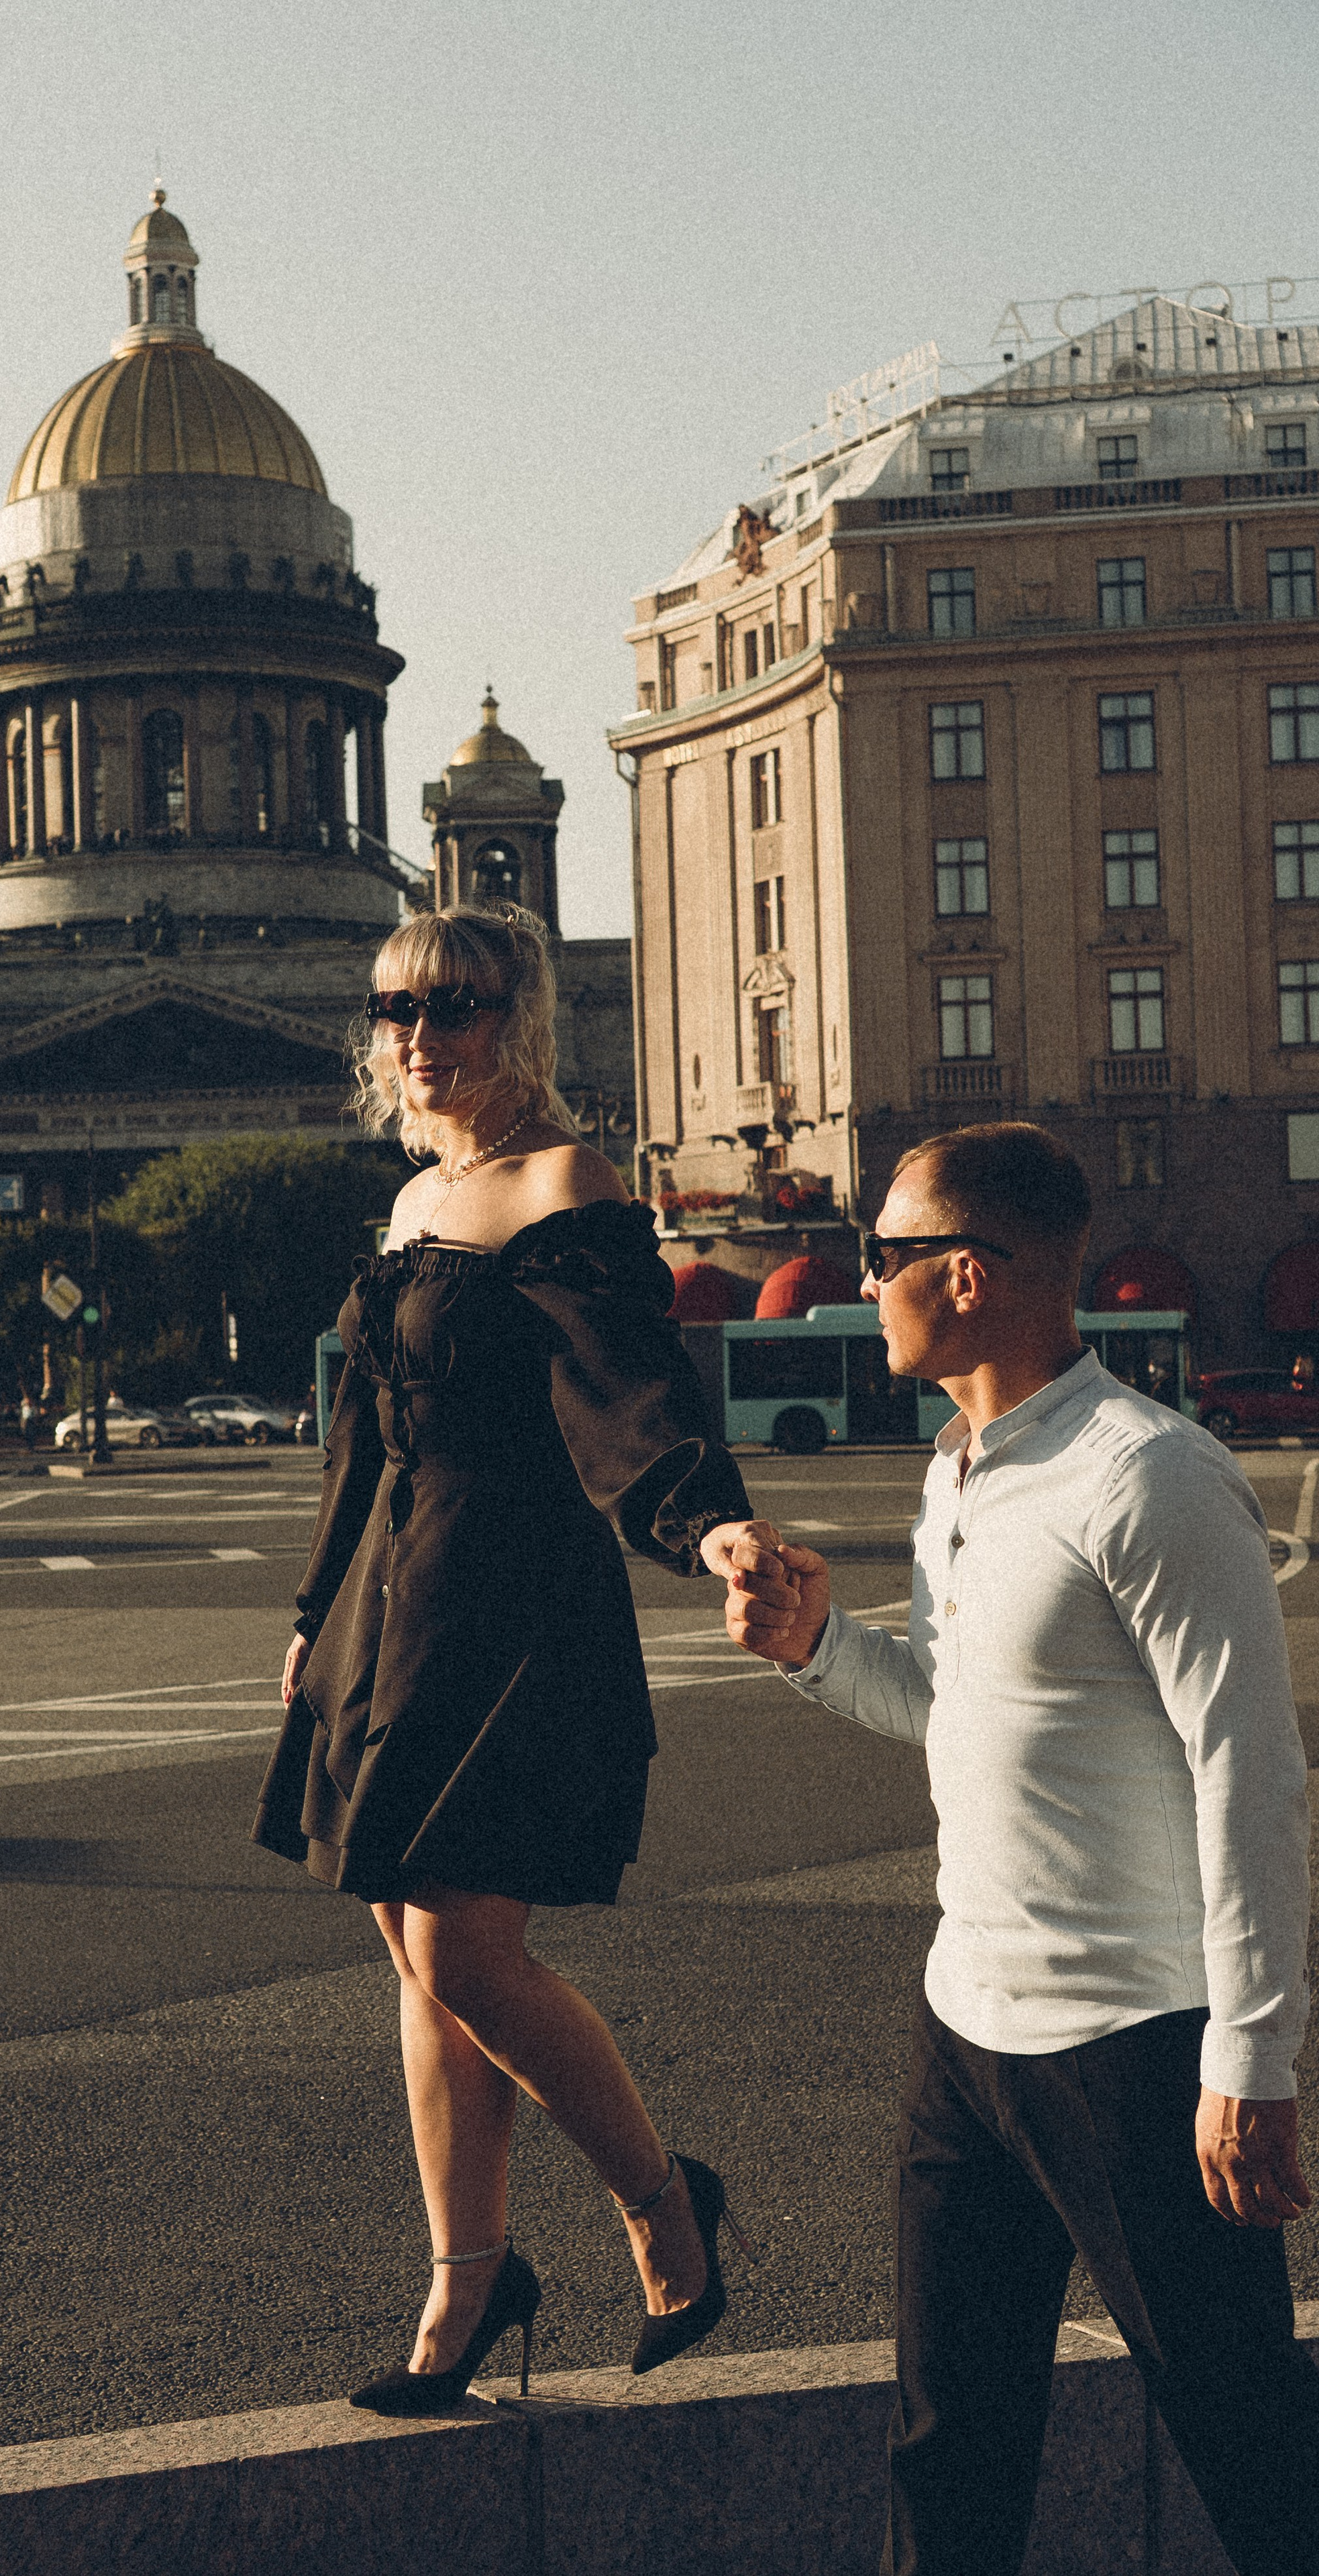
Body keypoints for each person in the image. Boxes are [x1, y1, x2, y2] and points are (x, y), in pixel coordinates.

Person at [722, 1122, 1318, 2576]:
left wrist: (1250, 2060)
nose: (862, 1288)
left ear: (970, 1275)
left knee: (1250, 2445)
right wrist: (815, 1649)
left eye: (883, 1258)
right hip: (963, 2032)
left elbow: (1250, 1777)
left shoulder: (1147, 1478)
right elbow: (948, 1714)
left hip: (1133, 2047)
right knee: (947, 2443)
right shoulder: (956, 1474)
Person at [253, 904, 754, 2414]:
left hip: (509, 1597)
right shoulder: (412, 1205)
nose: (419, 1036)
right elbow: (362, 1441)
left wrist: (706, 1526)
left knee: (467, 1949)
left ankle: (664, 2204)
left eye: (455, 1007)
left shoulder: (561, 1184)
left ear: (516, 1019)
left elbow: (626, 1386)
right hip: (385, 1608)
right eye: (396, 1006)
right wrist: (308, 1612)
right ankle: (464, 2288)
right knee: (415, 1956)